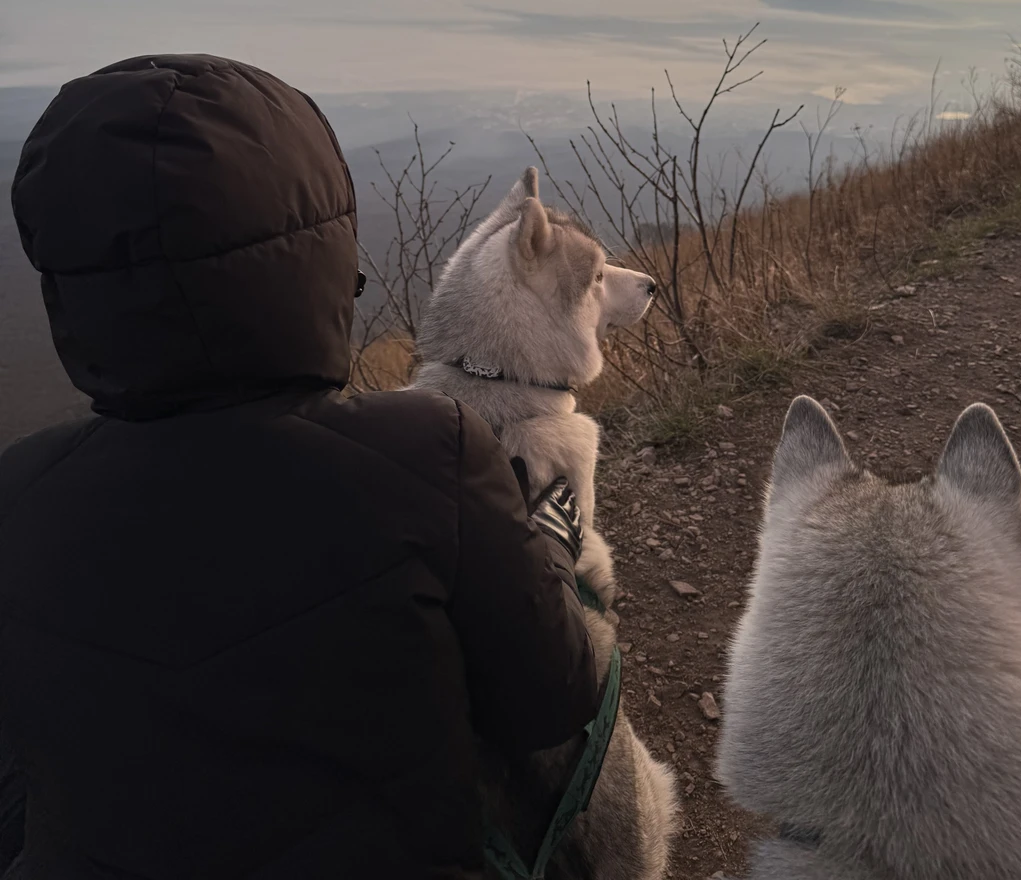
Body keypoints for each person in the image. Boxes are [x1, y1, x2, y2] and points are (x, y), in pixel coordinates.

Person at [0, 53, 596, 879]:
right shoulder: (426, 453)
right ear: (315, 251)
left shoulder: (18, 497)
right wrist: (553, 556)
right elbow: (556, 701)